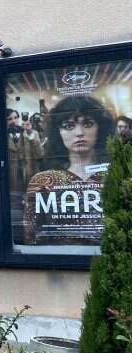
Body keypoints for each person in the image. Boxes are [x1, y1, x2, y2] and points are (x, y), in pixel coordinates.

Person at [23, 95, 115, 245]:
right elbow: (33, 237)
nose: (79, 132)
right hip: (59, 262)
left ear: (100, 128)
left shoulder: (116, 174)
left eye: (88, 123)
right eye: (69, 126)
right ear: (58, 132)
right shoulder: (43, 181)